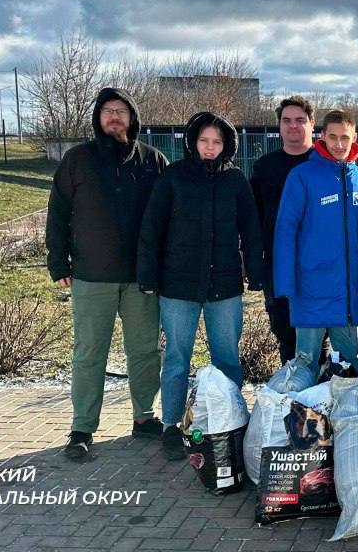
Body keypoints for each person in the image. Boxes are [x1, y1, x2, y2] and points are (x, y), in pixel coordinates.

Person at [46, 87, 168, 461]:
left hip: (141, 279)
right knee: (89, 353)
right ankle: (82, 427)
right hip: (91, 275)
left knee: (146, 351)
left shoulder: (153, 161)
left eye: (121, 111)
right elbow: (58, 212)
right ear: (98, 118)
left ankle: (144, 418)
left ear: (133, 118)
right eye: (108, 111)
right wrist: (58, 261)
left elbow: (167, 218)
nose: (114, 117)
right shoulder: (77, 160)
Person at [137, 111, 264, 461]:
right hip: (178, 286)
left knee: (227, 357)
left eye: (217, 142)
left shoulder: (235, 181)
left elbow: (251, 230)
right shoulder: (173, 178)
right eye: (204, 141)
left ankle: (230, 420)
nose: (210, 148)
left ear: (226, 145)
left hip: (224, 285)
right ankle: (171, 426)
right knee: (177, 358)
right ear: (193, 142)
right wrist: (147, 274)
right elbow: (152, 227)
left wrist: (256, 271)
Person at [273, 110, 358, 371]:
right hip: (310, 289)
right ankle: (301, 411)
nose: (339, 144)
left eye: (345, 138)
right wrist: (285, 284)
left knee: (350, 365)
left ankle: (345, 412)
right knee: (306, 363)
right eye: (333, 137)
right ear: (322, 137)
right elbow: (286, 231)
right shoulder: (302, 176)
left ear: (354, 138)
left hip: (348, 293)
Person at [250, 96, 316, 364]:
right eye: (287, 120)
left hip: (318, 269)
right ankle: (292, 402)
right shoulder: (264, 167)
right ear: (279, 126)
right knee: (286, 338)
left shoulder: (324, 166)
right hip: (278, 268)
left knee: (318, 339)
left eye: (300, 120)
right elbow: (254, 220)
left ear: (312, 125)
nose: (293, 126)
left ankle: (320, 403)